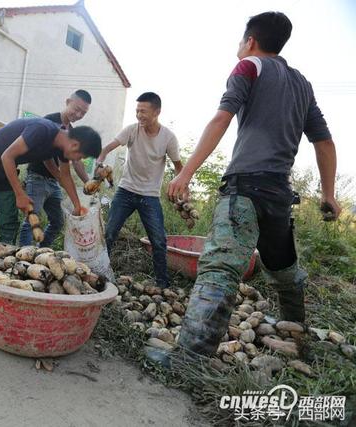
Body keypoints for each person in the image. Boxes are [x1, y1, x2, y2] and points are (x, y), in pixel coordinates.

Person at [166, 11, 340, 358]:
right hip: (279, 194)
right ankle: (296, 339)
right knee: (285, 272)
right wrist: (328, 194)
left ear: (250, 41)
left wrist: (185, 173)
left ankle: (189, 357)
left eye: (240, 40)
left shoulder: (249, 67)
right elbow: (324, 142)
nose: (239, 46)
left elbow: (221, 117)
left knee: (219, 266)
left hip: (244, 187)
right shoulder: (302, 83)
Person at [0, 117, 102, 243]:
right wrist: (20, 194)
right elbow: (7, 156)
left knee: (9, 221)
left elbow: (64, 175)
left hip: (6, 168)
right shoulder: (42, 129)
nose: (78, 160)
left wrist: (77, 206)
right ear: (75, 145)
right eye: (81, 157)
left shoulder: (61, 146)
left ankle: (3, 259)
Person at [96, 92, 183, 288]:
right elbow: (106, 149)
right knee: (109, 234)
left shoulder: (168, 138)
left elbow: (179, 167)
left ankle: (162, 284)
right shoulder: (131, 130)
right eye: (137, 111)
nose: (139, 115)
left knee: (158, 241)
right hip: (125, 191)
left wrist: (182, 187)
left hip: (149, 196)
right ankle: (99, 275)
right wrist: (99, 164)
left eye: (143, 111)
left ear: (157, 112)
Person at [18, 90, 92, 247]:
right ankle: (22, 255)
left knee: (57, 222)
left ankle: (41, 254)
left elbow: (76, 161)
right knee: (31, 220)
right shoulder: (49, 121)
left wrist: (88, 181)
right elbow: (46, 157)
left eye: (83, 113)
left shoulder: (72, 132)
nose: (78, 114)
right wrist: (61, 178)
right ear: (67, 102)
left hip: (54, 183)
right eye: (76, 109)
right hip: (37, 177)